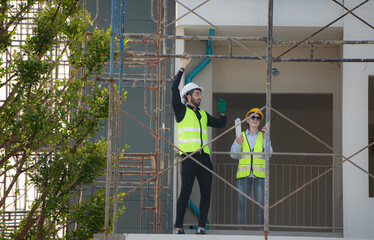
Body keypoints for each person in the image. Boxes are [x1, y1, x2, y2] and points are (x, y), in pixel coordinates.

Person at [172, 54, 227, 234]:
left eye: (200, 94)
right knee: (185, 192)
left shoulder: (203, 114)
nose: (200, 96)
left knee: (206, 193)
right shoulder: (181, 111)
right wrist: (182, 68)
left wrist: (223, 114)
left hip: (204, 158)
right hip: (188, 157)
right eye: (197, 93)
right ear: (188, 96)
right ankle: (179, 227)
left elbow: (220, 125)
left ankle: (201, 227)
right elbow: (173, 88)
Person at [230, 108, 272, 227]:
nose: (255, 119)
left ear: (259, 122)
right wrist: (239, 143)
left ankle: (261, 230)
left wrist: (265, 139)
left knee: (260, 205)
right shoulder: (241, 136)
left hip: (259, 175)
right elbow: (233, 155)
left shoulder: (263, 136)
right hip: (243, 175)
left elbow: (270, 154)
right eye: (253, 117)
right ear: (247, 120)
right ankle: (240, 231)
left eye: (258, 118)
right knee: (242, 205)